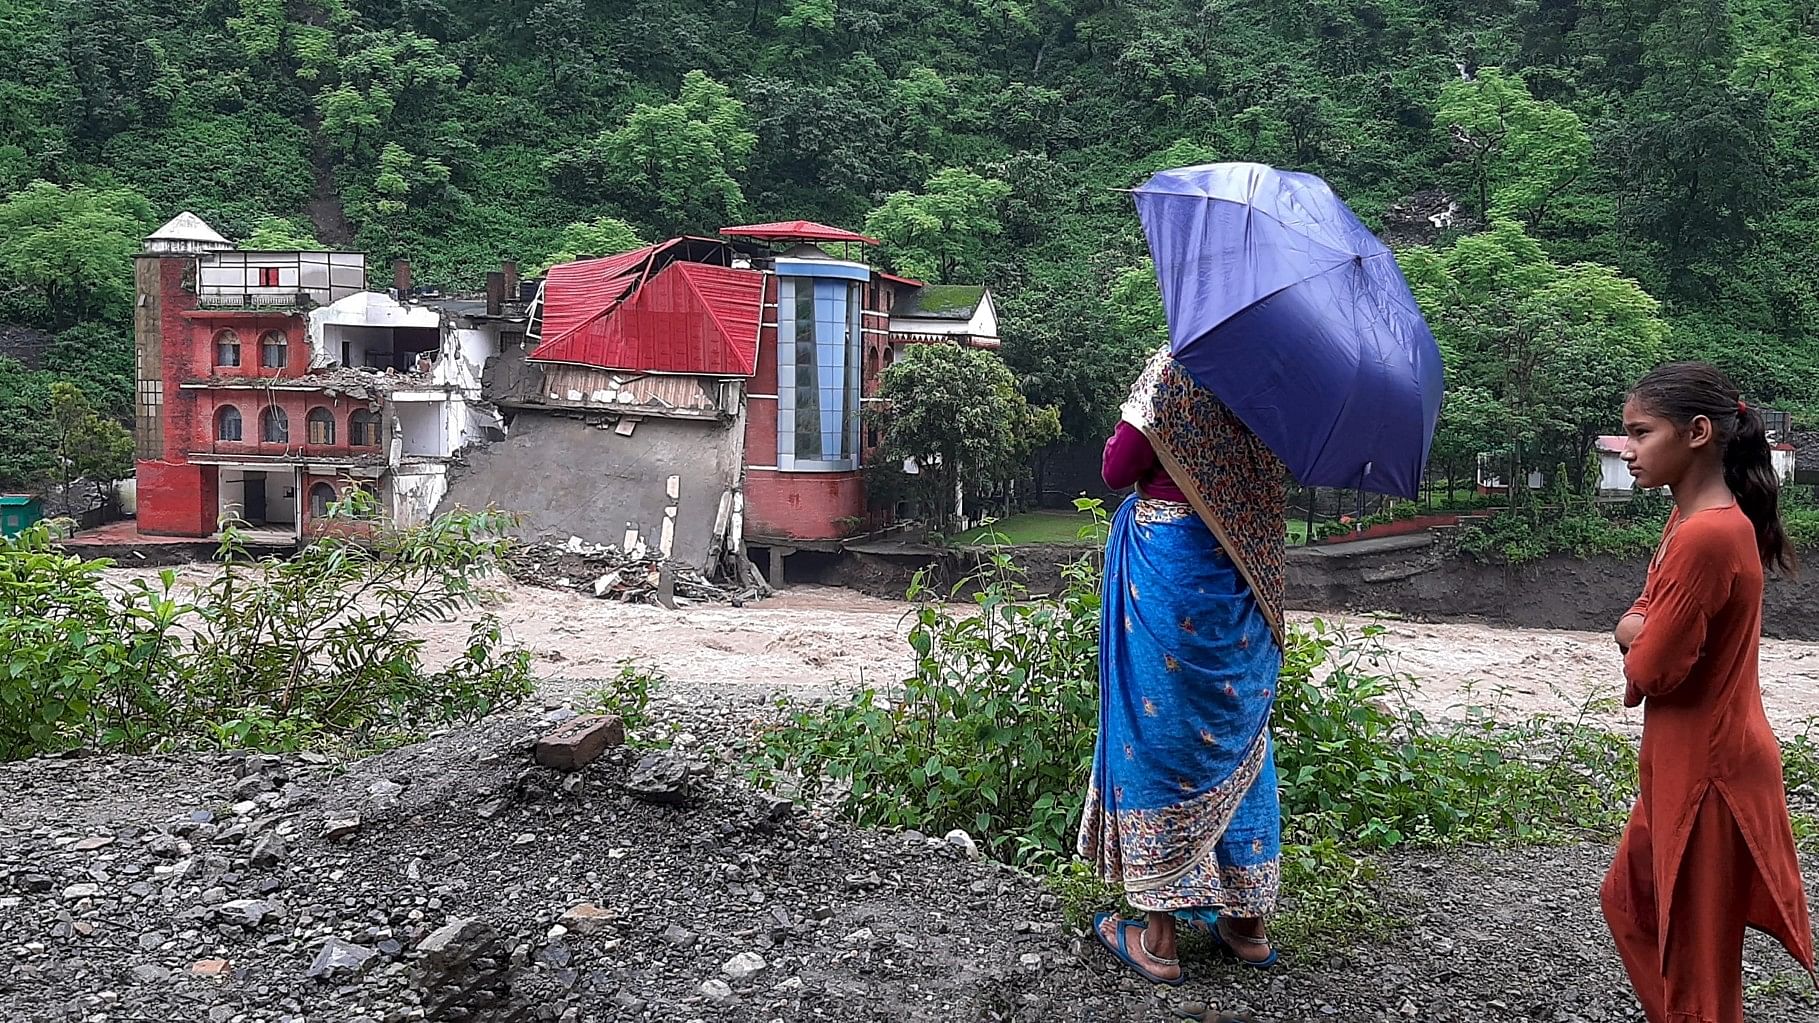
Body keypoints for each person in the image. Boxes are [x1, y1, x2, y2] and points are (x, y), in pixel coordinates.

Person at [1602, 362, 1816, 1022]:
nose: (1626, 449)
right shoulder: (1685, 520)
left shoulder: (1707, 533)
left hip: (1711, 775)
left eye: (1640, 432)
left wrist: (1631, 631)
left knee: (1698, 968)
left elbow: (1651, 667)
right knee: (1631, 902)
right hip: (1683, 763)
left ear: (1696, 432)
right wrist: (1637, 627)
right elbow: (1645, 619)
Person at [1080, 345, 1287, 986]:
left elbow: (1119, 466)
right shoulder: (1278, 377)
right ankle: (1247, 925)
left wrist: (1147, 386)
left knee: (1158, 734)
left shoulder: (1178, 368)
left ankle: (1160, 936)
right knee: (1238, 731)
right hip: (1243, 581)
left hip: (1170, 573)